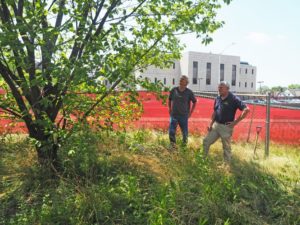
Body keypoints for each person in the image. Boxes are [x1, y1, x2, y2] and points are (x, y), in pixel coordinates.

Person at [203, 81, 250, 161]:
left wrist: (235, 122)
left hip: (226, 127)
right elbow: (215, 112)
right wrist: (210, 123)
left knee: (226, 148)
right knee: (206, 141)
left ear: (227, 89)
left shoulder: (234, 99)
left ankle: (226, 166)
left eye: (221, 87)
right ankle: (203, 160)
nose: (219, 88)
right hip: (216, 125)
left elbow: (246, 109)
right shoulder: (218, 98)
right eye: (218, 87)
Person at [168, 75, 197, 148]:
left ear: (186, 83)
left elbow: (194, 102)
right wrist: (169, 108)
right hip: (174, 115)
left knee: (184, 134)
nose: (180, 80)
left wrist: (190, 112)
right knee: (171, 132)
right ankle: (173, 146)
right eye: (180, 79)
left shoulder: (189, 92)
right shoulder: (174, 90)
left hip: (183, 116)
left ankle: (184, 148)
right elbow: (169, 99)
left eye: (182, 79)